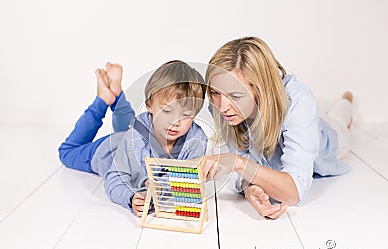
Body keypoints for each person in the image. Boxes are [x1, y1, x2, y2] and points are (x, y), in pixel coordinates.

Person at [200, 36, 353, 219]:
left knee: (340, 120)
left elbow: (295, 192)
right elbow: (245, 160)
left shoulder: (298, 101)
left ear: (260, 88)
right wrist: (250, 188)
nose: (222, 106)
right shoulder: (220, 107)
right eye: (216, 93)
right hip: (297, 124)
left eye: (235, 95)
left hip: (329, 139)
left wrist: (238, 163)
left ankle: (347, 100)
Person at [58, 60, 207, 217]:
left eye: (185, 115)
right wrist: (130, 198)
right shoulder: (133, 138)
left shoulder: (196, 141)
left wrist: (163, 188)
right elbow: (114, 178)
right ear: (149, 105)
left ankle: (117, 93)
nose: (174, 122)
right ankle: (103, 99)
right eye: (167, 111)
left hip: (136, 137)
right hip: (110, 150)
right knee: (66, 153)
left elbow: (187, 182)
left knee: (131, 127)